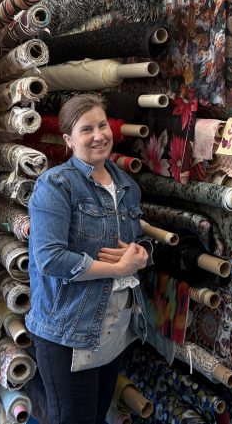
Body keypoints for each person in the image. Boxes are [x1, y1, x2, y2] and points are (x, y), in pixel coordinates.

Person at [26, 94, 149, 424]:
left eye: (102, 125)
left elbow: (136, 243)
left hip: (111, 326)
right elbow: (49, 259)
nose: (99, 135)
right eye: (86, 129)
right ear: (68, 139)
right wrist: (117, 267)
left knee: (95, 416)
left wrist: (141, 254)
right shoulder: (56, 185)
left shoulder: (126, 186)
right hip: (67, 329)